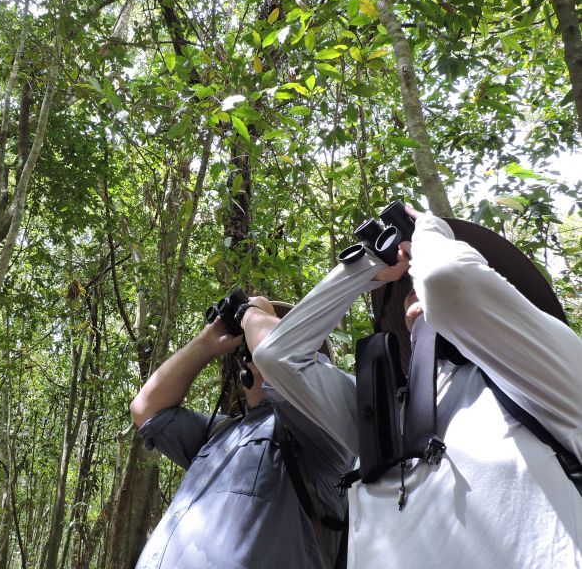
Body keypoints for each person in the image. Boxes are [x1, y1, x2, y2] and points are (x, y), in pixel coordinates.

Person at [241, 207, 582, 568]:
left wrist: (429, 230)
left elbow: (446, 278)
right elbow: (279, 356)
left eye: (416, 280)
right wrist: (367, 268)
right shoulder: (383, 417)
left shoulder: (543, 376)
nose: (414, 287)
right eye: (405, 288)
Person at [129, 309, 351, 569]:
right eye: (251, 335)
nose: (258, 340)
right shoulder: (218, 432)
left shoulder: (325, 432)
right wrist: (206, 343)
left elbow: (287, 363)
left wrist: (254, 312)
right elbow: (146, 409)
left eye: (286, 330)